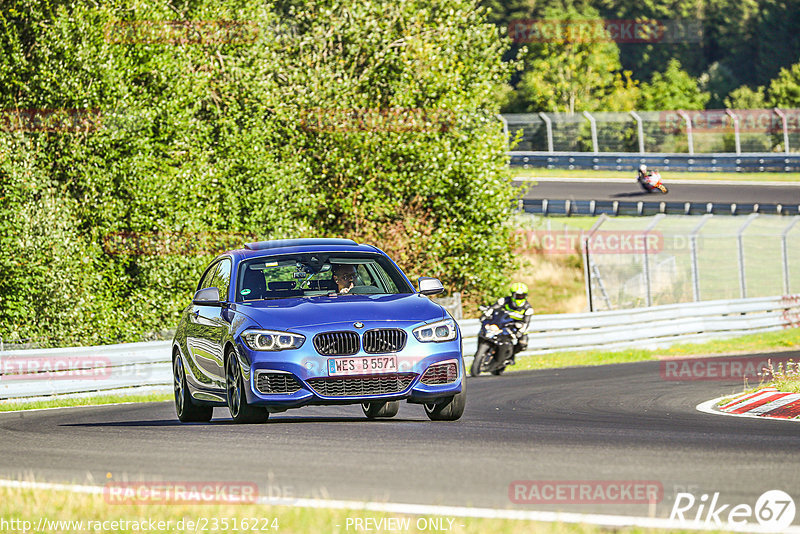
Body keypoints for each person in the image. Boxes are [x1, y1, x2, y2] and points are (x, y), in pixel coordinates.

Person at [485, 282, 533, 362]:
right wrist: (487, 313)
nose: (519, 298)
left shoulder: (528, 308)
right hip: (503, 323)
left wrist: (520, 332)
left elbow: (526, 322)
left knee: (523, 344)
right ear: (512, 295)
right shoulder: (504, 300)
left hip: (518, 327)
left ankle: (511, 355)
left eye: (522, 296)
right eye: (517, 296)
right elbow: (493, 307)